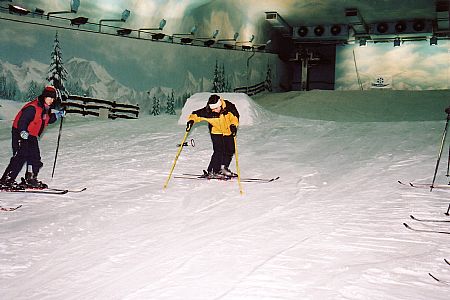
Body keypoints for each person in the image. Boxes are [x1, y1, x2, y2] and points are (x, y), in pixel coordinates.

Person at [0, 85, 65, 190]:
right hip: (21, 133)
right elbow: (23, 121)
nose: (51, 100)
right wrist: (22, 131)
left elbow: (46, 120)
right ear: (44, 97)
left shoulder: (46, 109)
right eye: (49, 98)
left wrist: (57, 115)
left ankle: (30, 178)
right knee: (21, 155)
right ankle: (6, 180)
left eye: (53, 98)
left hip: (32, 135)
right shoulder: (33, 107)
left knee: (35, 157)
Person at [186, 94, 239, 179]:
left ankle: (223, 168)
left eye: (216, 108)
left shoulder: (229, 107)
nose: (214, 110)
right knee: (219, 150)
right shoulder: (208, 111)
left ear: (220, 105)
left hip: (228, 130)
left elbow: (235, 116)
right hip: (216, 131)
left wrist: (233, 125)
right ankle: (213, 170)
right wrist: (191, 120)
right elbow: (196, 114)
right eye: (212, 109)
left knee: (230, 149)